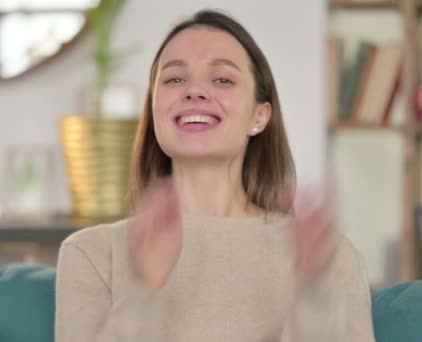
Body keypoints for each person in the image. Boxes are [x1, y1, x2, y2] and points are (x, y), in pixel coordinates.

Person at [55, 9, 375, 342]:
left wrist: (313, 298)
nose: (194, 91)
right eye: (174, 79)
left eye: (222, 79)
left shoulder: (331, 256)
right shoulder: (91, 253)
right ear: (153, 110)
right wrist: (142, 291)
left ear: (259, 116)